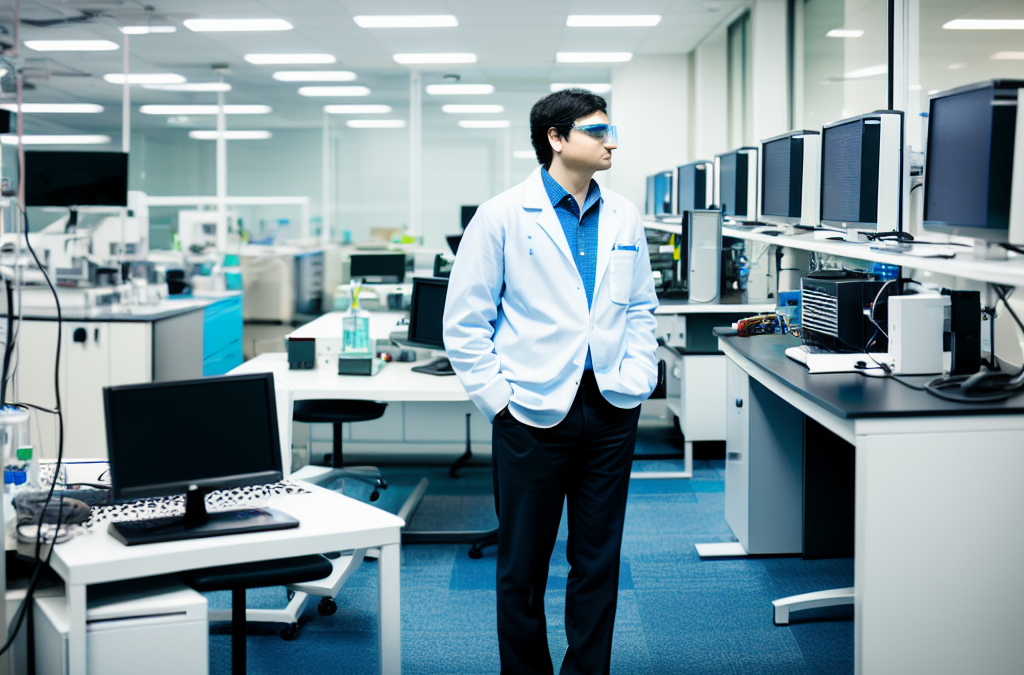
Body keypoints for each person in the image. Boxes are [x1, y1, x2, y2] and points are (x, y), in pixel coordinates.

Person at [442, 88, 659, 674]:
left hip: (611, 406)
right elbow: (465, 323)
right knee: (522, 566)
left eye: (610, 129)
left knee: (598, 559)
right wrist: (499, 406)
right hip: (530, 412)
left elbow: (640, 306)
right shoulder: (502, 214)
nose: (610, 141)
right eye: (596, 131)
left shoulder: (624, 215)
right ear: (555, 139)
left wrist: (639, 373)